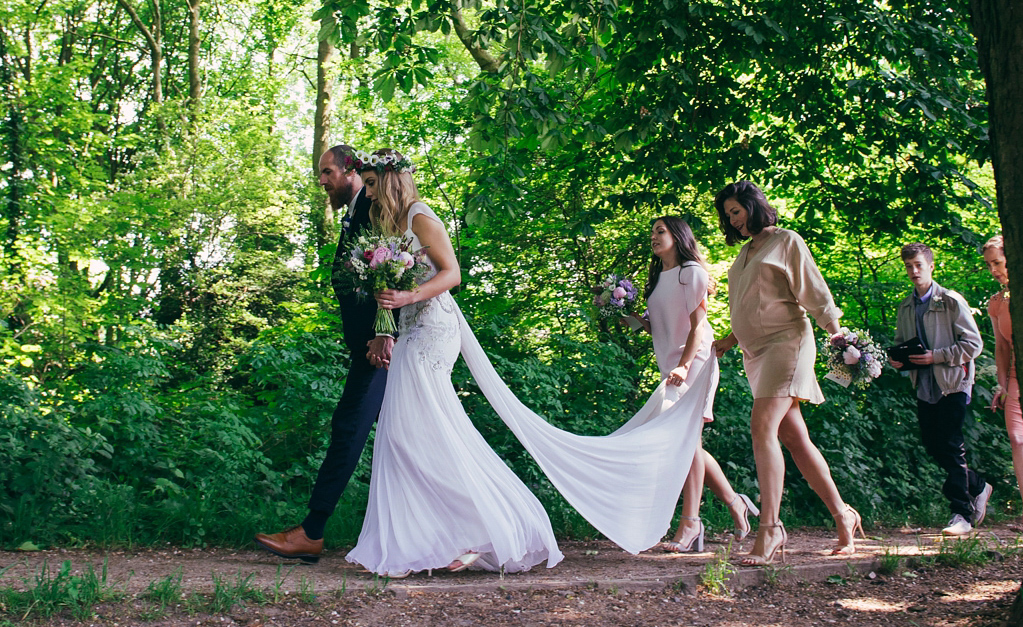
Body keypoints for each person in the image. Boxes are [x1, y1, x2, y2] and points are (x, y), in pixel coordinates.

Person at [343, 150, 716, 577]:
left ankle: (501, 525)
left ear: (392, 180)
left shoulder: (419, 216)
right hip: (408, 329)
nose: (367, 193)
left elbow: (451, 275)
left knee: (414, 429)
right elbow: (391, 286)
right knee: (404, 433)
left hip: (433, 329)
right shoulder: (388, 227)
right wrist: (385, 328)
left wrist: (408, 298)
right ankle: (439, 536)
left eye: (372, 184)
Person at [254, 144, 394, 563]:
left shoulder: (372, 210)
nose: (322, 180)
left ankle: (311, 532)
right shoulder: (354, 212)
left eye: (327, 172)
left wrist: (381, 333)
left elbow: (391, 274)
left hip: (381, 351)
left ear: (350, 171)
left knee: (349, 429)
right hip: (370, 347)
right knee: (397, 438)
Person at [711, 181, 863, 565]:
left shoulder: (786, 240)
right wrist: (728, 340)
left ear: (753, 206)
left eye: (737, 210)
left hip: (788, 344)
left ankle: (771, 528)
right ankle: (843, 514)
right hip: (754, 353)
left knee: (761, 427)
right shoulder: (745, 252)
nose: (733, 219)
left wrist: (838, 336)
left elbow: (812, 289)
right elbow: (753, 303)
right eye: (728, 214)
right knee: (795, 440)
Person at [627, 217, 759, 553]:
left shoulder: (691, 273)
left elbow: (698, 328)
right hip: (670, 367)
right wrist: (627, 316)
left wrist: (685, 366)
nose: (654, 236)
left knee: (684, 442)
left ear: (678, 236)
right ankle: (735, 503)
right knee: (688, 444)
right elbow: (659, 327)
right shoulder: (657, 279)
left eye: (661, 231)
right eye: (652, 231)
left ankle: (690, 523)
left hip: (695, 364)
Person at [889, 242, 990, 537]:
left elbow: (973, 344)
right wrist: (900, 361)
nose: (913, 271)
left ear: (931, 266)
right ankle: (978, 485)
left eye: (918, 265)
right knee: (933, 445)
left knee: (951, 444)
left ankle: (962, 512)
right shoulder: (907, 306)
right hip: (924, 384)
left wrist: (937, 356)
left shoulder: (950, 301)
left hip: (953, 382)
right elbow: (901, 342)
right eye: (908, 266)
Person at [983, 235, 1023, 531]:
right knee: (1018, 440)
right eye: (989, 265)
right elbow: (1001, 347)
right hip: (1014, 379)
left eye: (998, 262)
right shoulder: (997, 303)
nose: (994, 269)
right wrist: (1002, 384)